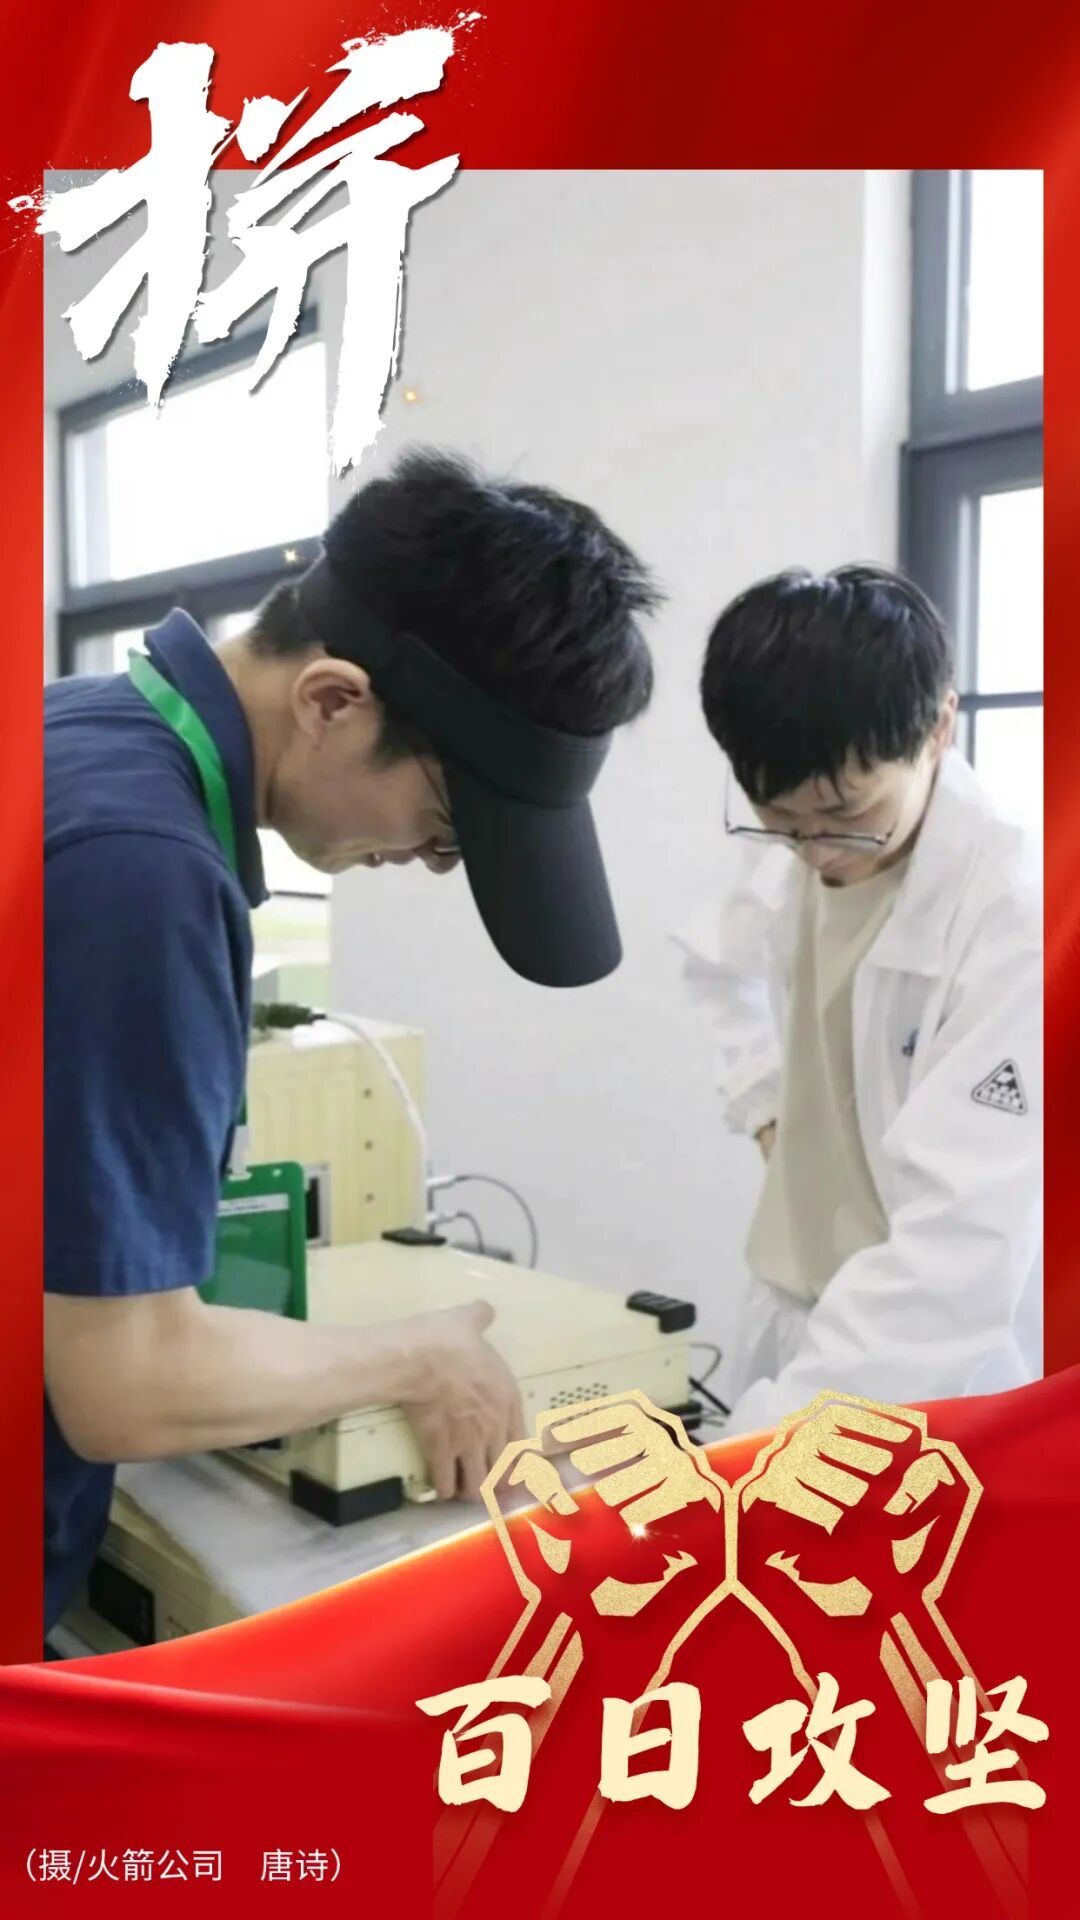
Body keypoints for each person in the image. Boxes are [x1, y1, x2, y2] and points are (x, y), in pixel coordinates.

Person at [44, 447, 660, 1634]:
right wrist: (419, 1357)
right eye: (443, 829)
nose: (427, 866)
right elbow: (124, 1384)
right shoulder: (140, 871)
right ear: (331, 701)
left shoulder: (80, 733)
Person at [676, 564, 1041, 1436]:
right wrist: (767, 1111)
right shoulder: (802, 832)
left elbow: (955, 1252)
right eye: (779, 817)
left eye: (847, 812)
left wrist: (772, 1440)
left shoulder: (1019, 921)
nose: (817, 851)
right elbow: (716, 968)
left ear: (939, 727)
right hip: (793, 1294)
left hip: (938, 1352)